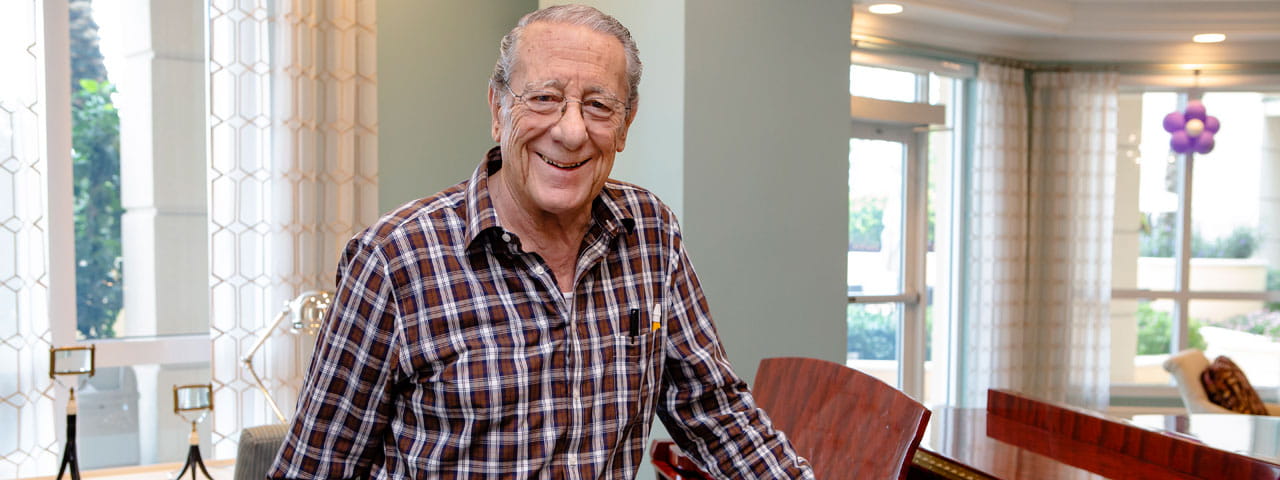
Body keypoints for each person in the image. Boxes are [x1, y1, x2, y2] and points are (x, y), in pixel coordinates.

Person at [268, 5, 814, 479]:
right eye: (545, 98)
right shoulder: (394, 261)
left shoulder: (652, 235)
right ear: (497, 108)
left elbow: (713, 410)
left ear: (625, 126)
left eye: (598, 106)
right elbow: (315, 467)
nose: (571, 130)